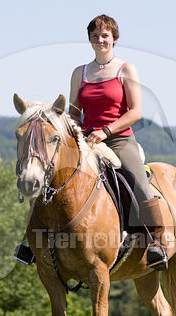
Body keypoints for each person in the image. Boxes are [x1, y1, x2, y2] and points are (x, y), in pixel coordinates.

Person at [69, 14, 167, 269]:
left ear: (114, 39)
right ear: (89, 40)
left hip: (118, 140)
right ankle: (33, 243)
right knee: (53, 175)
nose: (100, 40)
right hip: (86, 140)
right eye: (95, 36)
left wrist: (106, 131)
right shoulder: (80, 72)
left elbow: (135, 112)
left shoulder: (126, 69)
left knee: (139, 182)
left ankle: (156, 241)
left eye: (105, 36)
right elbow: (72, 111)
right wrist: (77, 132)